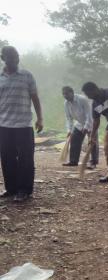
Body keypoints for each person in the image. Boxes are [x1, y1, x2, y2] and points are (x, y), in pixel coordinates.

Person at [0, 46, 43, 202]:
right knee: (6, 157)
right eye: (10, 57)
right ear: (3, 58)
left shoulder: (27, 75)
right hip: (4, 125)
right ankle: (11, 188)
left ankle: (24, 189)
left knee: (25, 158)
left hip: (24, 125)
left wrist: (40, 118)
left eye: (16, 56)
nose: (15, 60)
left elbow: (35, 98)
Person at [62, 86, 99, 169]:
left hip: (90, 123)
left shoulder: (82, 99)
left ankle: (93, 162)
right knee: (74, 139)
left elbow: (89, 114)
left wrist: (86, 126)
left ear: (72, 92)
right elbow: (69, 118)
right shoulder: (66, 103)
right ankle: (73, 161)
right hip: (79, 124)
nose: (65, 96)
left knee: (92, 142)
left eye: (67, 94)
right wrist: (69, 130)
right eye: (63, 94)